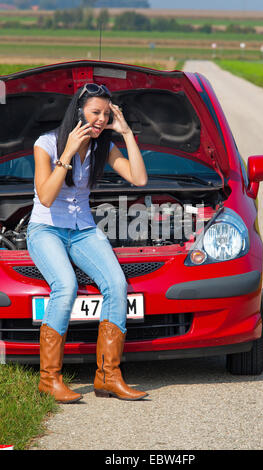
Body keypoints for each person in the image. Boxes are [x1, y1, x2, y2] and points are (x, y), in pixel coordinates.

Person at [26, 83, 148, 403]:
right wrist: (67, 152)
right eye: (95, 112)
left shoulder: (103, 147)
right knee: (65, 285)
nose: (100, 120)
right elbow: (47, 197)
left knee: (116, 284)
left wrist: (126, 133)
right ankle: (49, 379)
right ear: (78, 111)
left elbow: (139, 179)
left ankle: (108, 376)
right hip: (46, 229)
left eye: (106, 115)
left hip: (83, 230)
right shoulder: (47, 144)